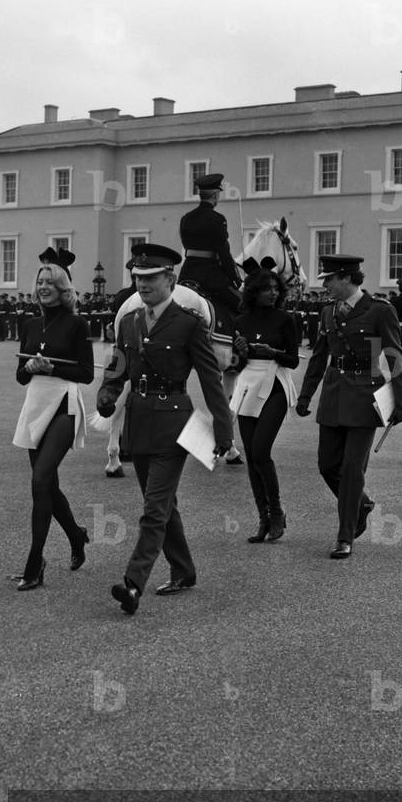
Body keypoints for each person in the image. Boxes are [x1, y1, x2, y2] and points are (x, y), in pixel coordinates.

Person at [96, 243, 233, 615]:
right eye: (137, 277)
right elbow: (117, 367)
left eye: (151, 277)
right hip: (139, 424)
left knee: (153, 510)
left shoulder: (189, 324)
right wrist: (106, 395)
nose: (142, 284)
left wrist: (224, 432)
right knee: (163, 505)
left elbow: (211, 381)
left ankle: (133, 584)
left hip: (174, 424)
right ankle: (184, 570)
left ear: (170, 278)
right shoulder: (129, 322)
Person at [295, 255, 402, 560]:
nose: (325, 285)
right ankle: (362, 503)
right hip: (333, 395)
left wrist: (401, 398)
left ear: (345, 278)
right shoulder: (328, 312)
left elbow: (393, 354)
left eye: (329, 279)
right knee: (326, 465)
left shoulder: (379, 310)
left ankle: (345, 535)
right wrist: (306, 395)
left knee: (350, 469)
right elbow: (320, 356)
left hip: (364, 395)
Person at [12, 248, 94, 590]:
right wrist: (30, 367)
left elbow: (87, 374)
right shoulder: (29, 324)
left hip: (64, 402)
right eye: (40, 281)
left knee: (40, 479)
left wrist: (52, 366)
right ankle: (76, 535)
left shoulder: (77, 323)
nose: (44, 286)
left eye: (50, 282)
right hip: (35, 403)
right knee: (48, 484)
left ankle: (35, 560)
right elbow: (19, 375)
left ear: (63, 288)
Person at [177, 172, 244, 465]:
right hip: (210, 275)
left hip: (187, 275)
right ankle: (235, 351)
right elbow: (223, 252)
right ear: (215, 194)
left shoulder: (186, 219)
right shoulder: (218, 220)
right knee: (240, 308)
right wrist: (235, 277)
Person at [230, 268, 300, 543]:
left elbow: (293, 360)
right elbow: (236, 365)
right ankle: (264, 517)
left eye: (275, 288)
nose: (272, 292)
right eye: (266, 288)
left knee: (261, 450)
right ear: (254, 292)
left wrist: (274, 353)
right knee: (251, 454)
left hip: (276, 384)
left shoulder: (286, 319)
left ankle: (277, 511)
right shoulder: (241, 320)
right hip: (249, 383)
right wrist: (242, 351)